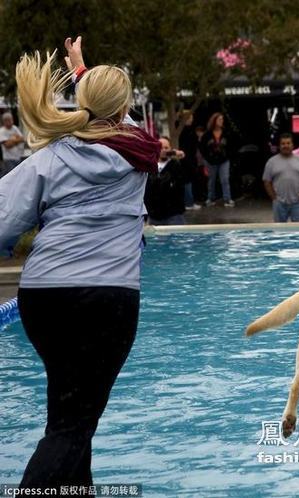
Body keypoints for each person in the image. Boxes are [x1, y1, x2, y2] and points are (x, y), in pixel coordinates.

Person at [0, 37, 161, 489]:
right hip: (106, 300)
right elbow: (115, 114)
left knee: (71, 414)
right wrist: (85, 74)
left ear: (81, 103)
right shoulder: (139, 155)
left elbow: (2, 222)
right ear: (126, 106)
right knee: (72, 425)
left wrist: (82, 75)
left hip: (44, 300)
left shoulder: (48, 159)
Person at [262, 133, 299, 222]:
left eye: (288, 143)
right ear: (279, 146)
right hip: (279, 203)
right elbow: (267, 181)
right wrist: (274, 197)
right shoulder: (271, 162)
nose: (286, 146)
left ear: (292, 145)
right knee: (280, 232)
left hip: (298, 203)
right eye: (283, 143)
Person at [144, 136, 187, 225]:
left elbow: (186, 178)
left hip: (174, 215)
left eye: (166, 148)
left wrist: (181, 158)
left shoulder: (176, 165)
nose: (163, 150)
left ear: (171, 149)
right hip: (154, 216)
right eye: (160, 147)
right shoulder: (149, 167)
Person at [199, 112, 235, 207]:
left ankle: (227, 199)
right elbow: (202, 147)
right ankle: (211, 199)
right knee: (211, 180)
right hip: (211, 160)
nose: (221, 121)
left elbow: (231, 145)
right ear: (214, 120)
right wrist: (206, 158)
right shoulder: (207, 134)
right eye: (219, 119)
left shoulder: (226, 132)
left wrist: (228, 155)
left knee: (225, 179)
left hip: (224, 160)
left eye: (222, 119)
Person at [178, 110, 201, 210]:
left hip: (189, 158)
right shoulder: (185, 131)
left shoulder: (186, 130)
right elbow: (188, 146)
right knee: (187, 180)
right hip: (187, 159)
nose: (192, 119)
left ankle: (189, 201)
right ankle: (189, 202)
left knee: (188, 180)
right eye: (190, 117)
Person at [0, 111, 25, 176]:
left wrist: (12, 140)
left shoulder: (15, 128)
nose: (10, 121)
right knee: (11, 176)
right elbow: (7, 145)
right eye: (8, 120)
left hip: (18, 156)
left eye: (11, 119)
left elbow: (22, 139)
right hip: (9, 159)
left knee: (19, 175)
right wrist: (16, 139)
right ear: (4, 121)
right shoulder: (2, 131)